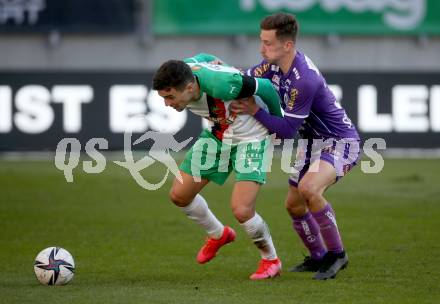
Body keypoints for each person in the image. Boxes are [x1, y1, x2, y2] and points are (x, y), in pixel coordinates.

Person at [230, 13, 360, 280]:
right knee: (294, 205)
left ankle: (337, 255)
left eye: (267, 43)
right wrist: (216, 76)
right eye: (261, 41)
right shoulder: (271, 67)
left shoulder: (304, 79)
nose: (261, 48)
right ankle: (318, 257)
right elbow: (243, 80)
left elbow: (287, 131)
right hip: (312, 143)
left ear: (287, 45)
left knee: (309, 189)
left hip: (339, 141)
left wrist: (254, 109)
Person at [152, 53, 283, 280]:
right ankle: (218, 234)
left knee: (242, 210)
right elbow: (204, 57)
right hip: (218, 135)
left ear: (190, 87)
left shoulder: (223, 84)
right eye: (164, 98)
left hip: (252, 138)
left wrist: (279, 123)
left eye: (170, 97)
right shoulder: (186, 71)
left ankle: (271, 260)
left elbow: (267, 87)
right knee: (179, 195)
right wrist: (218, 61)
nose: (167, 104)